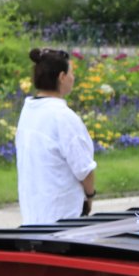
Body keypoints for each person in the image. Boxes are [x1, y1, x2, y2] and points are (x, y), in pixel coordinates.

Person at [15, 47, 96, 226]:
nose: (73, 78)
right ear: (62, 77)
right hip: (63, 219)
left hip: (33, 216)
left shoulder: (28, 112)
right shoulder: (63, 117)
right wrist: (90, 196)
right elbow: (84, 169)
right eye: (71, 73)